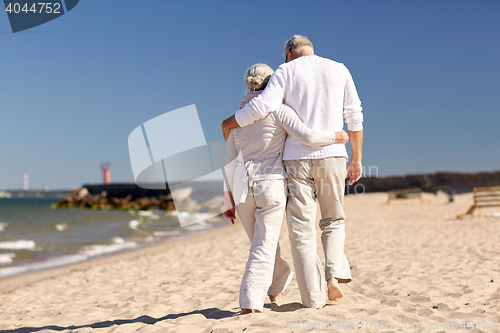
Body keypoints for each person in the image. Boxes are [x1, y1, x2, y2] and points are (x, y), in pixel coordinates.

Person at [222, 35, 364, 309]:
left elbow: (259, 112)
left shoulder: (284, 72)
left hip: (281, 167)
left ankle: (310, 298)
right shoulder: (338, 69)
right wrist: (350, 151)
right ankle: (331, 277)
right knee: (333, 219)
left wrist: (229, 123)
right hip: (320, 161)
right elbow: (348, 119)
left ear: (288, 53)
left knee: (297, 233)